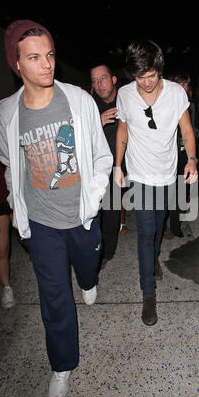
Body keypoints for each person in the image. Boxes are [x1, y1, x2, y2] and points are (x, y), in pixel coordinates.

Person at [0, 20, 113, 397]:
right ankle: (62, 364)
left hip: (80, 214)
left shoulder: (78, 100)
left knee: (88, 265)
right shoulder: (7, 114)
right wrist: (17, 207)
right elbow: (12, 165)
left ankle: (89, 278)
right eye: (34, 57)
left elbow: (100, 156)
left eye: (50, 55)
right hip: (42, 222)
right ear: (17, 64)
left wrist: (92, 201)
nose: (46, 64)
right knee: (54, 297)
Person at [115, 39, 198, 326]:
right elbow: (122, 130)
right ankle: (148, 294)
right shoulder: (125, 95)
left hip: (167, 174)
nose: (147, 82)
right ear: (132, 74)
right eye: (140, 77)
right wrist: (118, 165)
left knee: (158, 226)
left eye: (151, 76)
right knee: (145, 232)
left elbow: (186, 130)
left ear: (159, 70)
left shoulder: (175, 93)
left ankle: (153, 260)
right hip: (139, 174)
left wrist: (191, 159)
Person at [90, 64, 127, 268]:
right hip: (104, 167)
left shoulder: (127, 97)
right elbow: (79, 138)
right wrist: (97, 122)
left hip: (133, 162)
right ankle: (106, 252)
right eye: (95, 81)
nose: (99, 84)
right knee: (107, 208)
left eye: (103, 78)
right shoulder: (90, 106)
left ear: (113, 79)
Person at [167, 71, 197, 237]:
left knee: (181, 189)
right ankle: (164, 224)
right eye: (181, 84)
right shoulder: (168, 104)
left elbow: (193, 129)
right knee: (167, 190)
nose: (184, 87)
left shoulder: (190, 106)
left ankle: (175, 226)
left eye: (186, 84)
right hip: (169, 155)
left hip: (185, 155)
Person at [0, 102, 15, 309]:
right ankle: (6, 287)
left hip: (14, 189)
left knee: (29, 238)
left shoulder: (4, 114)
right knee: (1, 247)